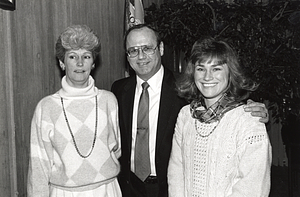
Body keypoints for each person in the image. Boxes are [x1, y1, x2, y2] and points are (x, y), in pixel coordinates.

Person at [111, 24, 269, 197]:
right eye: (133, 50)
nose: (140, 56)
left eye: (147, 48)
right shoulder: (119, 90)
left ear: (161, 48)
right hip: (131, 186)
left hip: (164, 189)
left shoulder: (185, 90)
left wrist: (255, 111)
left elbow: (225, 104)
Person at [168, 37, 272, 197]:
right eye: (201, 69)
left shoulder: (249, 120)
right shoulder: (185, 116)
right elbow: (176, 172)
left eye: (216, 69)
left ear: (230, 73)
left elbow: (253, 187)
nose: (207, 77)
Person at [27, 25, 122, 197]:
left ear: (93, 63)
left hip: (107, 191)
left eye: (86, 56)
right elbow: (38, 167)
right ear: (62, 62)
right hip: (64, 193)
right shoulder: (46, 107)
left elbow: (116, 148)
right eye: (72, 56)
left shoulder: (109, 101)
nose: (80, 63)